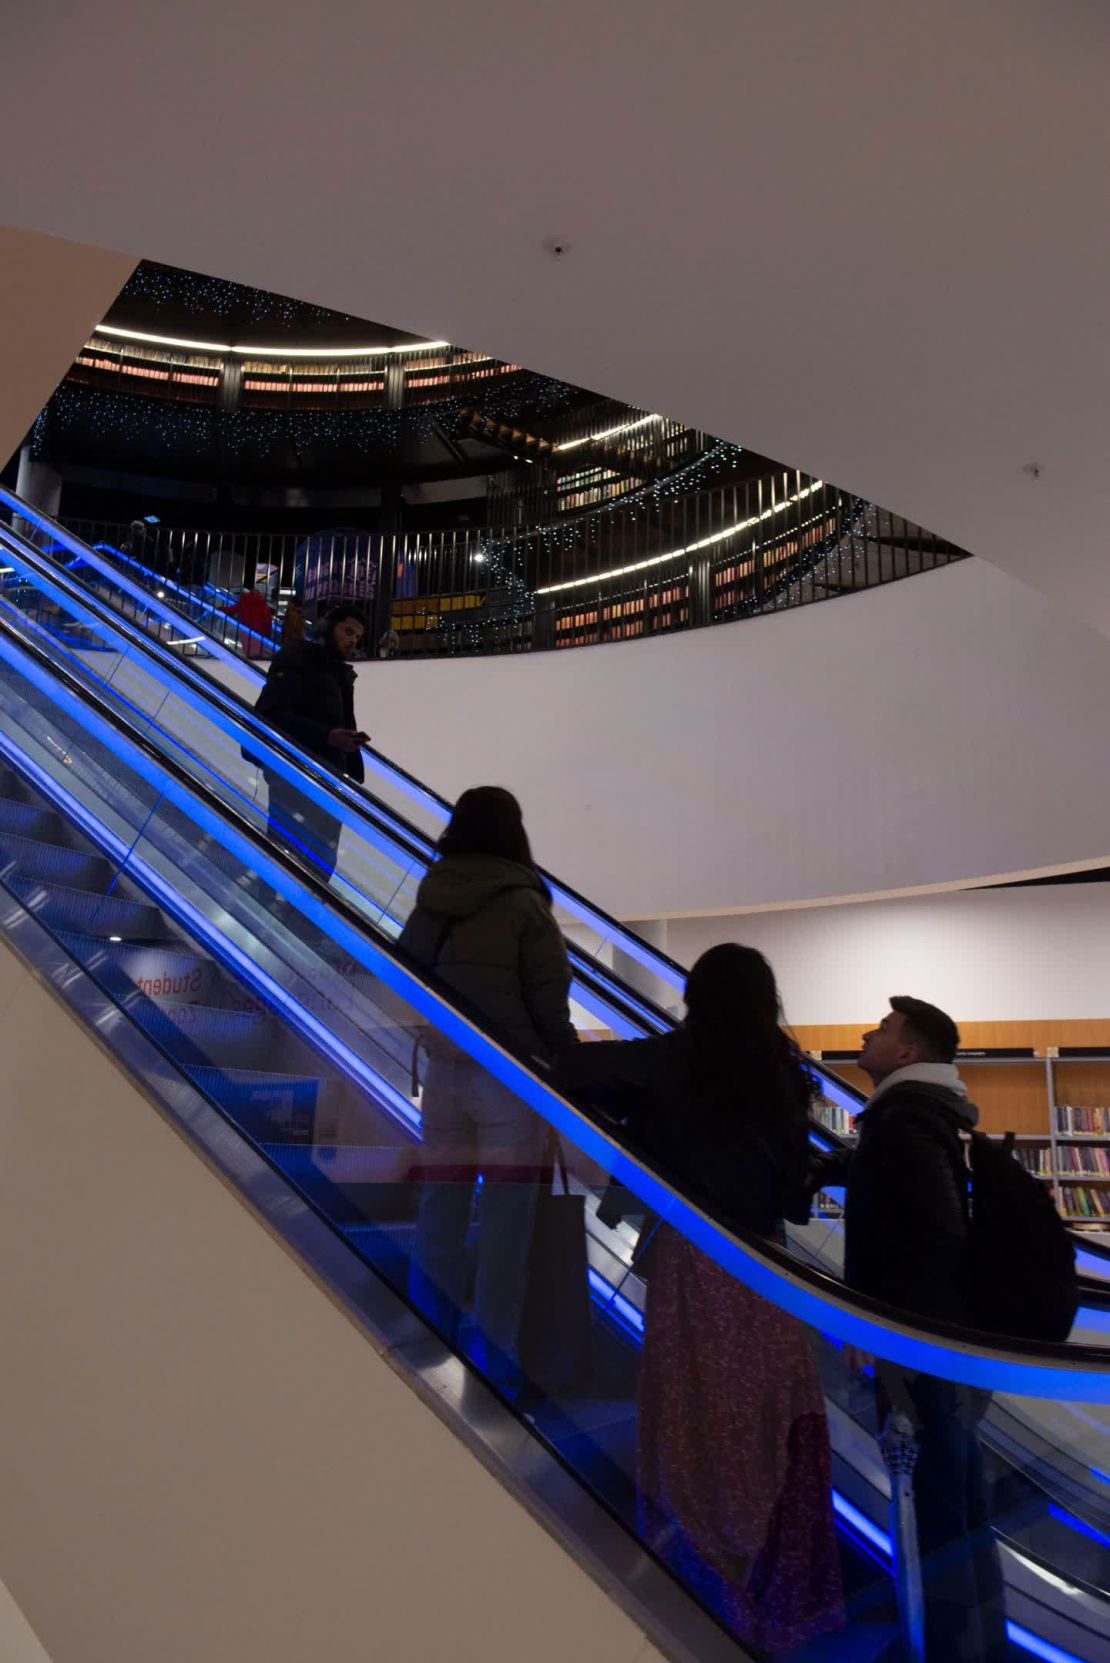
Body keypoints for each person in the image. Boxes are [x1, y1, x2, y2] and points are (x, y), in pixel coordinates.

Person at [558, 944, 843, 1654]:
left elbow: (577, 1068)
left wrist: (639, 1129)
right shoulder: (780, 1069)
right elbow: (789, 1182)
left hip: (693, 1260)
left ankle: (701, 1588)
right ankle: (779, 1599)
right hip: (766, 1263)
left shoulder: (673, 1058)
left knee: (694, 1412)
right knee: (770, 1420)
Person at [822, 996, 1007, 1663]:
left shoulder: (901, 1123)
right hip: (940, 1350)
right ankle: (976, 1644)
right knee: (959, 1505)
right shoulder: (919, 1120)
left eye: (882, 1029)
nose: (867, 1033)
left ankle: (943, 1648)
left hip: (918, 1352)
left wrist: (882, 1328)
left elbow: (931, 1233)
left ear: (907, 1053)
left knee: (932, 1510)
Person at [399, 786, 575, 1389]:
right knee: (505, 1228)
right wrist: (566, 1064)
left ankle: (425, 1341)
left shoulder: (433, 898)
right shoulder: (526, 904)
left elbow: (403, 974)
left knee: (439, 1211)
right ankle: (492, 1368)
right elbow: (549, 1000)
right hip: (508, 1077)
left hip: (444, 1073)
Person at [254, 603, 369, 879]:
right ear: (327, 628)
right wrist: (328, 737)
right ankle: (273, 911)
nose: (352, 640)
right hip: (294, 774)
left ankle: (307, 915)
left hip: (329, 778)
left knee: (320, 864)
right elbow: (270, 714)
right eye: (348, 631)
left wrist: (348, 743)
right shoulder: (297, 657)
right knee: (286, 858)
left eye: (358, 636)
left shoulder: (339, 673)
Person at [225, 585, 274, 658]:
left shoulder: (243, 602)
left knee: (246, 652)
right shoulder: (264, 606)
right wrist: (267, 635)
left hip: (245, 631)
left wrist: (219, 609)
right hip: (258, 634)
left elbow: (231, 610)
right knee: (255, 654)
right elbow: (268, 622)